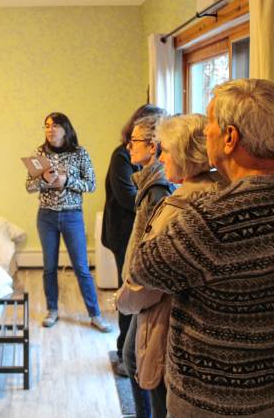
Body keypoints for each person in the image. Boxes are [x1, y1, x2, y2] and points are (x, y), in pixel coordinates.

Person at [131, 79, 274, 417]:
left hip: (209, 402)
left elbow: (143, 267)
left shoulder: (212, 218)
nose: (206, 136)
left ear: (231, 137)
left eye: (210, 126)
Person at [117, 113, 225, 418]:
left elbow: (147, 275)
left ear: (182, 154)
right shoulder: (221, 192)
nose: (160, 156)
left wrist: (123, 299)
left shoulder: (173, 204)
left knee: (149, 377)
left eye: (163, 150)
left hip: (165, 313)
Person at [26, 112, 112, 332]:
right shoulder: (39, 153)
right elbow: (29, 186)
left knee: (81, 267)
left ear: (66, 129)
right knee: (49, 267)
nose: (50, 129)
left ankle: (95, 315)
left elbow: (91, 185)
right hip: (46, 216)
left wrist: (67, 180)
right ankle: (52, 310)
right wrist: (44, 180)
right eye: (46, 126)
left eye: (55, 126)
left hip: (72, 215)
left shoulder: (80, 153)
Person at [114, 113, 172, 418]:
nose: (128, 146)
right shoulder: (149, 184)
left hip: (148, 293)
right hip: (143, 290)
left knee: (137, 360)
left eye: (134, 141)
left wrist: (131, 292)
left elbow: (152, 252)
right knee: (134, 357)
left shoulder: (157, 190)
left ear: (152, 146)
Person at [102, 104, 165, 367]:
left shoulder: (158, 187)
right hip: (121, 231)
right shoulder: (122, 156)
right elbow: (125, 195)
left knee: (131, 297)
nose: (130, 145)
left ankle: (129, 355)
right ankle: (124, 352)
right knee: (127, 295)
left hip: (134, 240)